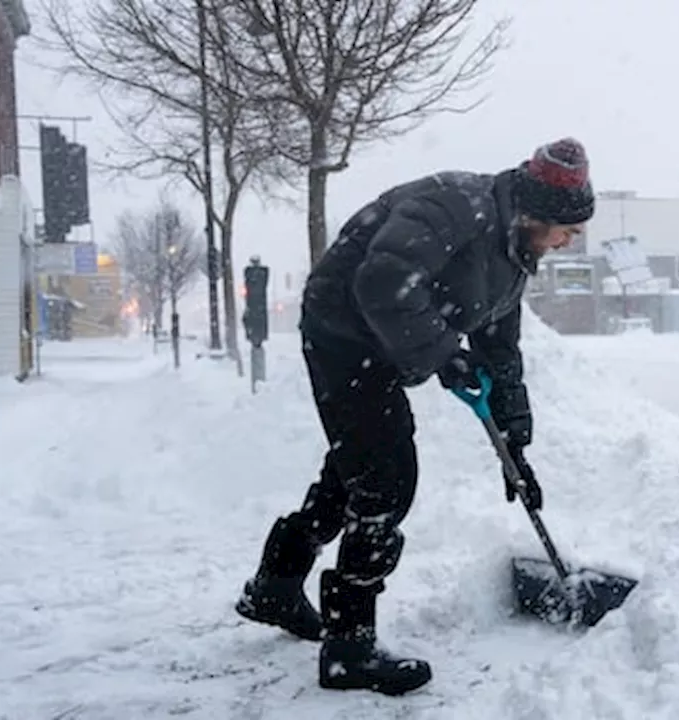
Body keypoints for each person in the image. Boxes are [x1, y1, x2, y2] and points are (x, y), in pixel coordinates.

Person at [233, 139, 595, 696]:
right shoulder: (456, 205)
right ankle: (349, 649)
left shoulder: (514, 254)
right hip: (343, 330)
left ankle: (275, 584)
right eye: (566, 230)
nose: (569, 241)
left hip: (387, 338)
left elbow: (499, 343)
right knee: (386, 476)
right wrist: (445, 353)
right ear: (535, 214)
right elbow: (381, 282)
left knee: (359, 462)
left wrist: (514, 438)